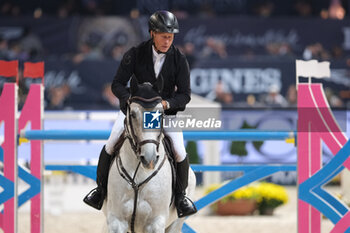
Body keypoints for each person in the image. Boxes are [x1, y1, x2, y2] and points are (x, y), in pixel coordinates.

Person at [83, 10, 197, 218]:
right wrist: (129, 102)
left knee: (179, 151)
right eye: (163, 36)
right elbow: (117, 84)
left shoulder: (179, 59)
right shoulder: (135, 53)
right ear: (152, 33)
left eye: (170, 37)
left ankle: (181, 197)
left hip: (162, 113)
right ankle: (99, 191)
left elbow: (184, 95)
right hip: (135, 112)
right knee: (111, 144)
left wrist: (166, 104)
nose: (167, 41)